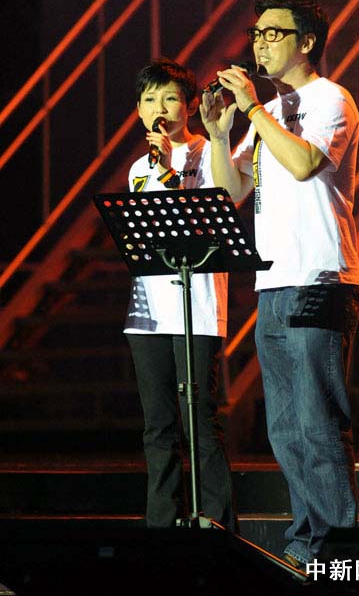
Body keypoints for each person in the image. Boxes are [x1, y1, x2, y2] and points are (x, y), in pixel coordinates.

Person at [200, 0, 359, 577]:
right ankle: (306, 543)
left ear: (307, 41)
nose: (260, 44)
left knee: (318, 424)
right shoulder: (265, 114)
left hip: (319, 276)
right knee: (286, 429)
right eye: (257, 34)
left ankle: (338, 554)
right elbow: (233, 192)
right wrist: (220, 136)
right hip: (273, 283)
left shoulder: (330, 98)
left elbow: (302, 164)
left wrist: (254, 110)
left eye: (273, 33)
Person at [124, 57, 237, 531]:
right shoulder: (139, 168)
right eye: (149, 100)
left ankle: (217, 523)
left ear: (190, 106)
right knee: (158, 425)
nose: (159, 108)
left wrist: (171, 170)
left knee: (200, 421)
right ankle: (160, 525)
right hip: (149, 311)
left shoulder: (209, 153)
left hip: (197, 307)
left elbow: (213, 219)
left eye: (169, 98)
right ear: (138, 110)